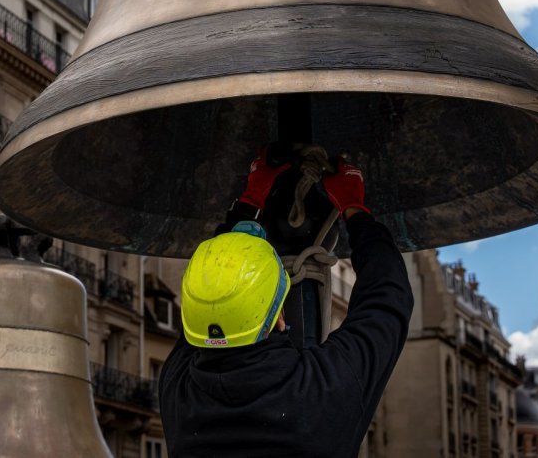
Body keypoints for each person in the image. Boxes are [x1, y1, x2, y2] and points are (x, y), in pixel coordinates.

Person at [159, 146, 414, 458]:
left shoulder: (179, 393)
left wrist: (250, 201)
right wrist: (353, 207)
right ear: (279, 317)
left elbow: (388, 296)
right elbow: (388, 294)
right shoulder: (320, 392)